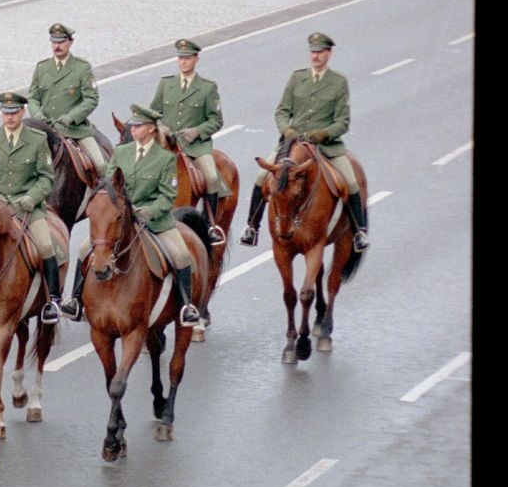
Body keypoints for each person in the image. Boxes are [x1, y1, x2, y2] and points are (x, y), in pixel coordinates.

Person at [61, 106, 201, 328]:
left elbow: (168, 196)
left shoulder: (165, 159)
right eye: (132, 126)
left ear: (151, 129)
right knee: (84, 249)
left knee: (182, 255)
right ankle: (75, 300)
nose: (133, 130)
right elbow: (108, 185)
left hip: (155, 221)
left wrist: (149, 212)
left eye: (139, 126)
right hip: (122, 219)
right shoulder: (121, 153)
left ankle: (187, 307)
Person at [240, 32, 367, 251]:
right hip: (293, 144)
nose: (316, 56)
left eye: (320, 52)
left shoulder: (338, 82)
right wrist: (287, 130)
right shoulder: (297, 78)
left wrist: (323, 134)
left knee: (351, 181)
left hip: (325, 146)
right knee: (262, 176)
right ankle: (252, 226)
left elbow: (343, 121)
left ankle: (358, 232)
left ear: (329, 54)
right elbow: (281, 111)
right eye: (313, 52)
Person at [0, 91, 64, 323]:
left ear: (22, 112)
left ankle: (53, 301)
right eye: (5, 112)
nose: (9, 117)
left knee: (45, 245)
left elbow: (46, 177)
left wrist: (32, 198)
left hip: (27, 208)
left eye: (14, 113)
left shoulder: (36, 140)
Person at [147, 38, 230, 244]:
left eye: (187, 58)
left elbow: (216, 120)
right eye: (180, 58)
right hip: (167, 146)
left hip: (196, 147)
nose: (183, 62)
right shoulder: (166, 84)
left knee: (211, 177)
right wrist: (161, 126)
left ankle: (210, 225)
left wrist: (197, 131)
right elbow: (153, 113)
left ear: (196, 59)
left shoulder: (207, 88)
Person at [26, 23, 104, 174]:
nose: (57, 46)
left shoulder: (82, 67)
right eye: (54, 42)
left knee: (101, 166)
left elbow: (91, 98)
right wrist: (37, 116)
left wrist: (71, 117)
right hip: (45, 130)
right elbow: (32, 97)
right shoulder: (42, 67)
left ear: (70, 42)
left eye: (61, 41)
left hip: (74, 130)